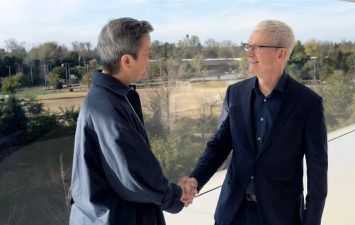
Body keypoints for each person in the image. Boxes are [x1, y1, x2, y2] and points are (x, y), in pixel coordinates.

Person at [186, 19, 328, 225]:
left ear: (281, 53)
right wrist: (195, 181)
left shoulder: (309, 103)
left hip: (280, 216)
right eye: (248, 46)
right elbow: (218, 146)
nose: (248, 53)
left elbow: (318, 175)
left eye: (257, 47)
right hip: (232, 212)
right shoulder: (235, 93)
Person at [69, 17, 196, 225]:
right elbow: (134, 176)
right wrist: (176, 194)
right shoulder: (107, 107)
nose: (150, 58)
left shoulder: (113, 98)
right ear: (127, 61)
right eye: (147, 53)